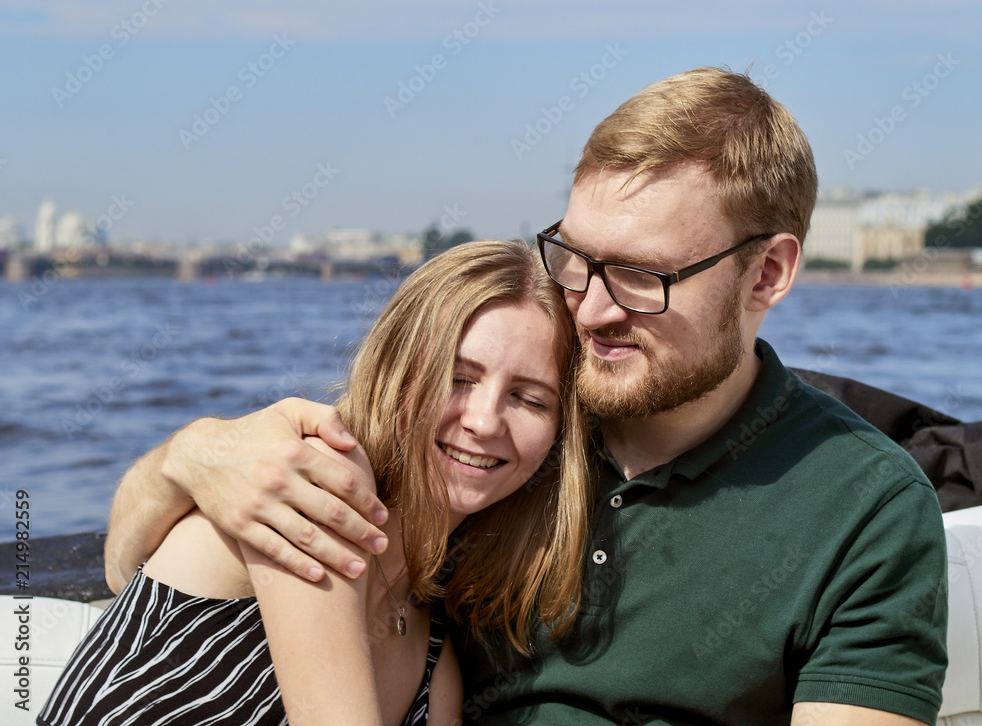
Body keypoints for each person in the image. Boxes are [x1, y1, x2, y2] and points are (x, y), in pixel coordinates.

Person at [103, 67, 948, 725]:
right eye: (578, 257)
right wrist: (188, 455)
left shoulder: (863, 508)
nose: (594, 307)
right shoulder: (509, 436)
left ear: (767, 272)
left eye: (643, 276)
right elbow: (149, 570)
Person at [39, 240, 593, 726]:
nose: (484, 420)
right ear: (399, 376)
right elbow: (119, 569)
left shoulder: (435, 650)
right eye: (458, 378)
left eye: (529, 398)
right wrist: (186, 452)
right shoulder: (316, 485)